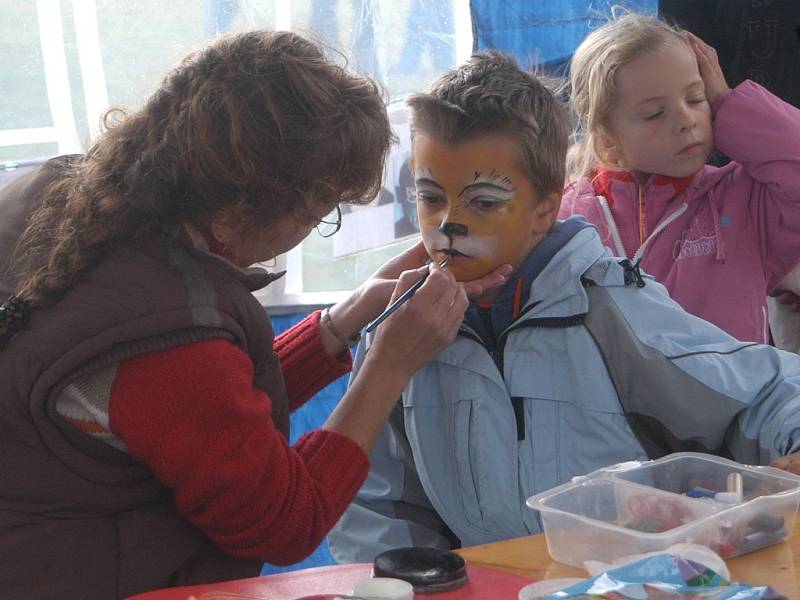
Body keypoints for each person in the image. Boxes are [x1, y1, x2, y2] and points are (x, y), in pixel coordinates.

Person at [0, 31, 509, 599]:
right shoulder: (165, 341)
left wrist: (338, 325)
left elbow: (193, 421)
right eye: (321, 211)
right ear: (245, 205)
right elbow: (286, 521)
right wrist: (389, 365)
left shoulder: (69, 200)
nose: (314, 228)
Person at [328, 50, 800, 563]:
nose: (449, 224)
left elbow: (766, 390)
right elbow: (377, 502)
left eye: (484, 201)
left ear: (545, 209)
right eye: (430, 197)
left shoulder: (609, 313)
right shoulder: (398, 332)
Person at [557, 12, 800, 344]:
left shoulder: (743, 201)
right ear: (607, 141)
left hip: (730, 397)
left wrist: (728, 103)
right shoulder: (565, 219)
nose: (687, 119)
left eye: (696, 98)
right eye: (655, 113)